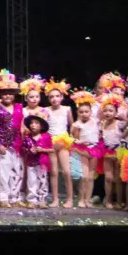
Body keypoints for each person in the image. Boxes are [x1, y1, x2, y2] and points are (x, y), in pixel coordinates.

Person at [0, 70, 23, 207]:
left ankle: (15, 197)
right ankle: (2, 197)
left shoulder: (19, 107)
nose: (8, 95)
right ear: (0, 94)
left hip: (17, 144)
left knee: (17, 172)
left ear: (14, 94)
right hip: (2, 144)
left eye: (10, 92)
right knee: (3, 173)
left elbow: (21, 125)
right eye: (4, 92)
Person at [44, 79, 74, 208]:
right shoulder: (45, 110)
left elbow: (72, 126)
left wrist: (70, 141)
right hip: (51, 141)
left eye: (57, 96)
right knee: (54, 172)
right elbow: (44, 127)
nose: (54, 99)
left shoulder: (67, 109)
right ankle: (55, 199)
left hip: (63, 141)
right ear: (48, 99)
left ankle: (70, 199)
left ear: (62, 97)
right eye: (51, 97)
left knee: (66, 171)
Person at [70, 91, 100, 209]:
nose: (84, 114)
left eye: (86, 111)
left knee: (91, 177)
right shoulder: (76, 125)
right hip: (83, 150)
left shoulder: (95, 121)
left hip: (94, 149)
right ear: (78, 112)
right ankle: (81, 199)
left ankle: (88, 200)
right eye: (81, 112)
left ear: (90, 112)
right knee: (84, 177)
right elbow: (73, 138)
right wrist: (78, 141)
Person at [98, 95, 124, 209]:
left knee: (118, 179)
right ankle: (108, 200)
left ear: (116, 112)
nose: (108, 113)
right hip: (107, 152)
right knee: (108, 178)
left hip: (118, 152)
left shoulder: (120, 124)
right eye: (105, 110)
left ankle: (119, 201)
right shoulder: (102, 124)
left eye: (111, 110)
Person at [22, 116, 53, 208]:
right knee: (31, 181)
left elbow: (52, 149)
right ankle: (32, 200)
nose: (33, 125)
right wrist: (29, 150)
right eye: (31, 123)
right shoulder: (27, 138)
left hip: (42, 163)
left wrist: (43, 149)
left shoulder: (46, 137)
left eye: (36, 123)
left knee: (43, 181)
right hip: (31, 163)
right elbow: (23, 149)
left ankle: (42, 200)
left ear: (41, 126)